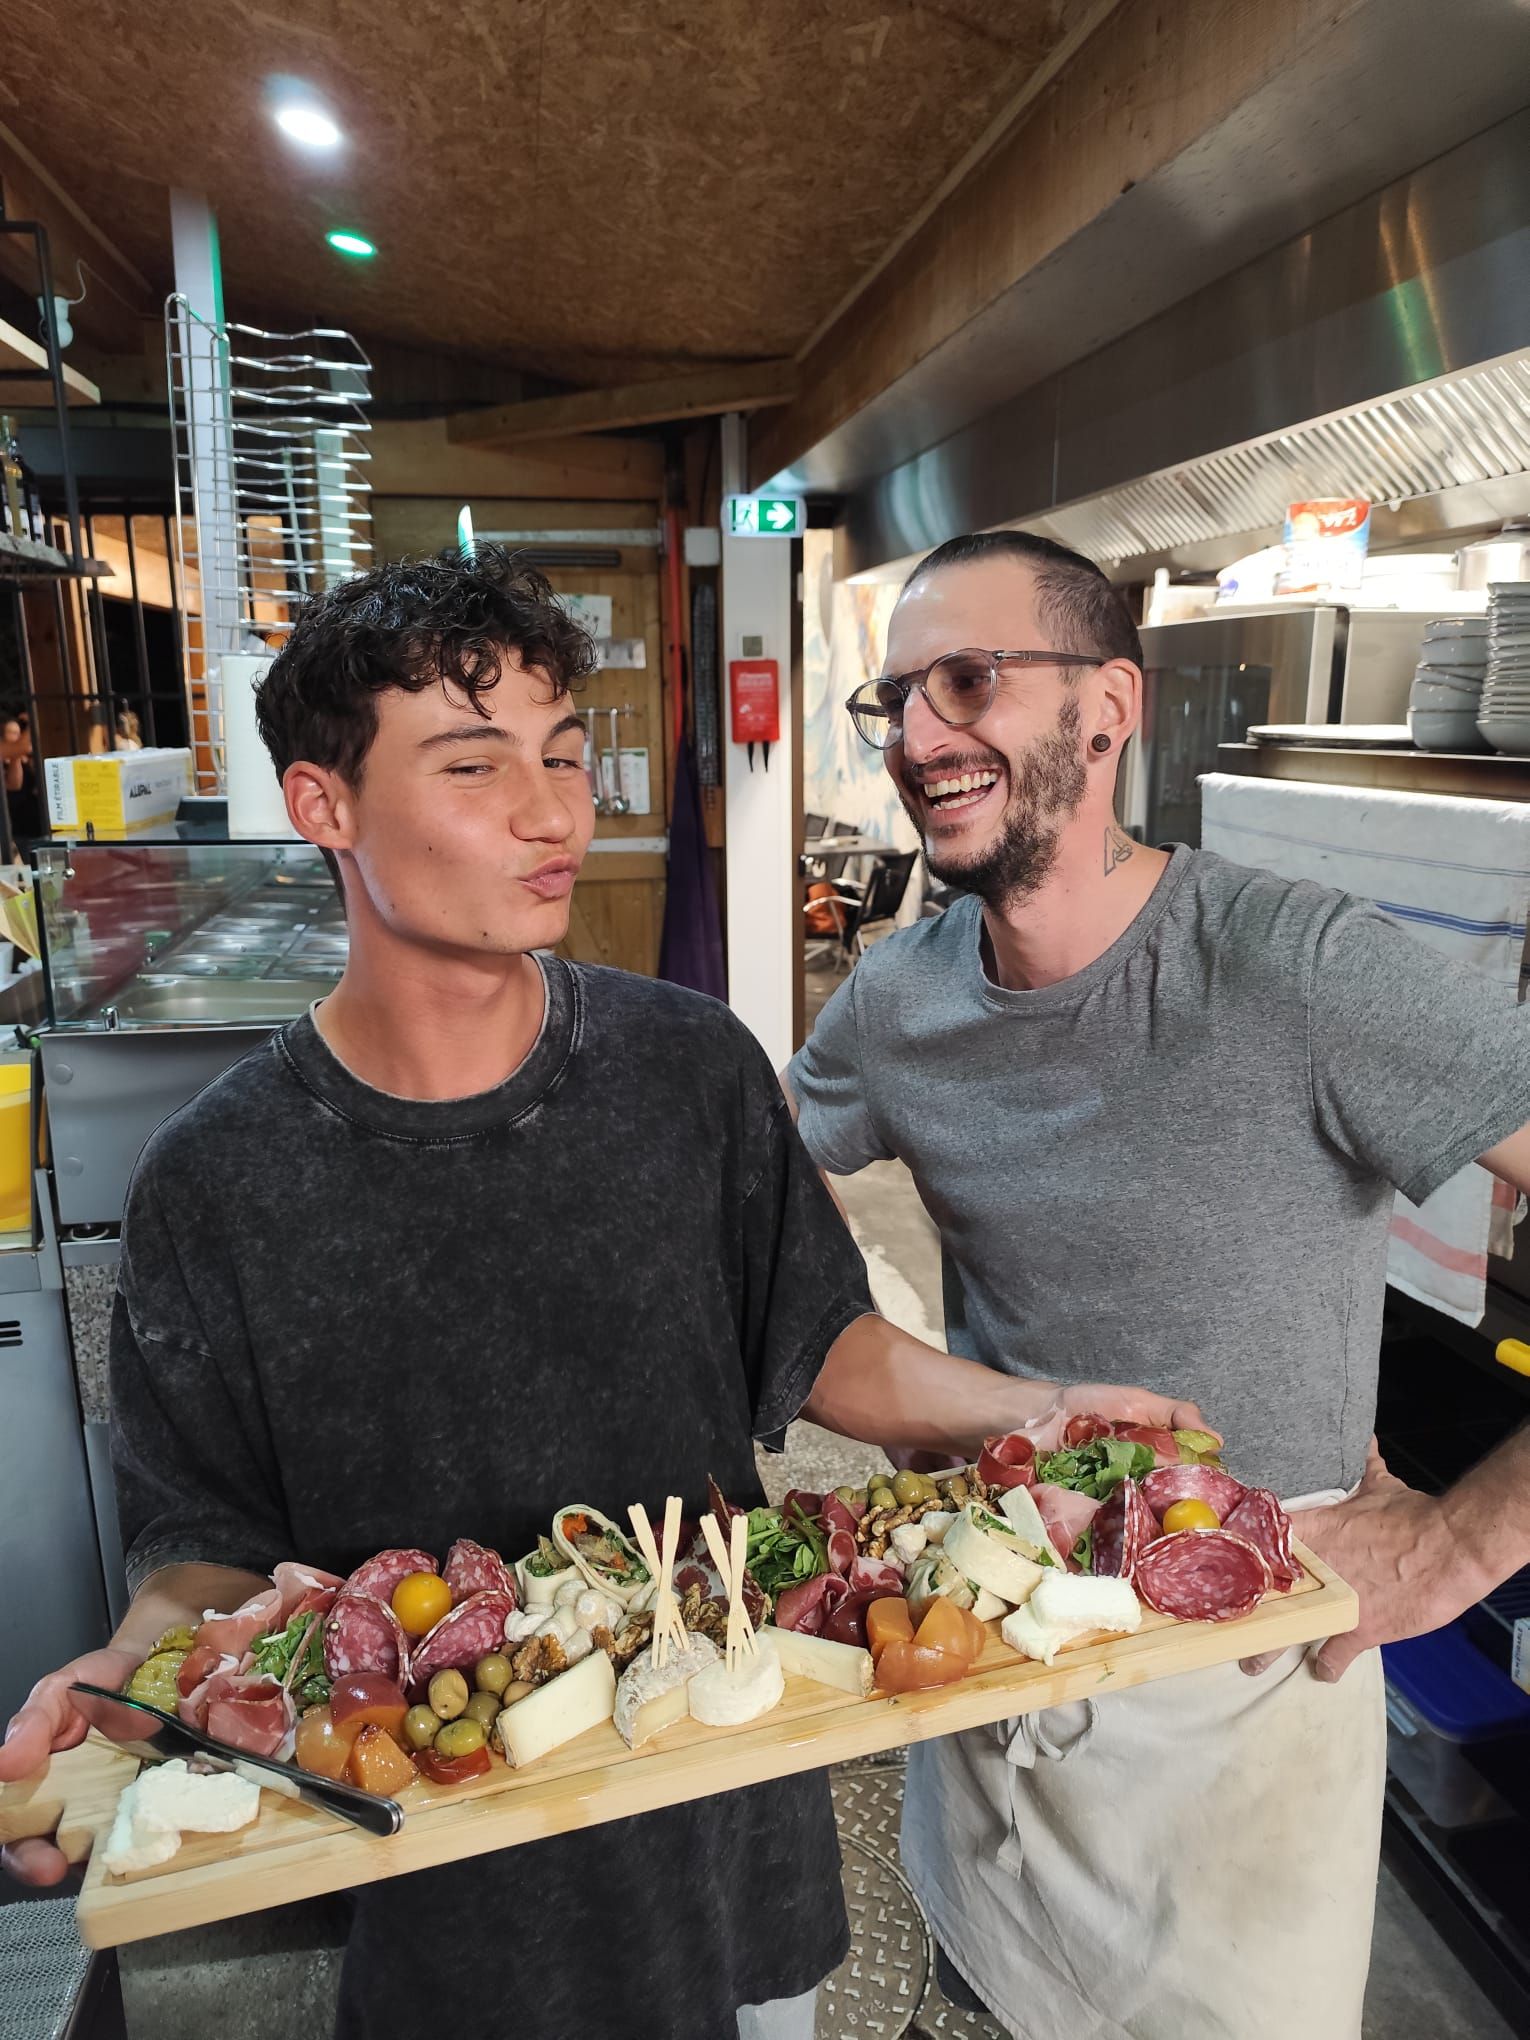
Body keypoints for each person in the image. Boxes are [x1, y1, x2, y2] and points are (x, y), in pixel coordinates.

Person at [0, 546, 1198, 2040]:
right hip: (447, 1870)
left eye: (564, 754)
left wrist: (1034, 1408)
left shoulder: (687, 1067)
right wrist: (137, 1664)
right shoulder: (214, 1178)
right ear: (324, 806)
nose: (554, 811)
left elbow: (819, 1342)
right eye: (473, 763)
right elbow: (204, 1549)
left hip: (728, 1823)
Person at [786, 529, 1530, 2040]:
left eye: (969, 680)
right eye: (897, 700)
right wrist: (898, 1401)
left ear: (1106, 708)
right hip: (991, 1654)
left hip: (1242, 1699)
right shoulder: (897, 998)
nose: (921, 736)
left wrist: (1463, 1539)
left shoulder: (1298, 967)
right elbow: (755, 1217)